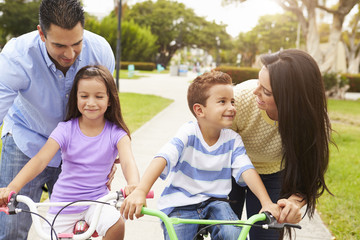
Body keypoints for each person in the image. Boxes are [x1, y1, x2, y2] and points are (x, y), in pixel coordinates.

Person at [0, 0, 115, 239]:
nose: (70, 53)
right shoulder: (16, 56)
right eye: (60, 45)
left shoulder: (100, 50)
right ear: (42, 33)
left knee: (76, 228)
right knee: (11, 227)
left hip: (77, 149)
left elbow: (107, 108)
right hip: (27, 141)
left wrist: (109, 158)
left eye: (77, 43)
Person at [120, 71, 280, 240]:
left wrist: (266, 203)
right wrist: (141, 191)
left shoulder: (233, 140)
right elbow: (163, 157)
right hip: (181, 202)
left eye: (232, 101)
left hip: (216, 203)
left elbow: (247, 170)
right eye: (222, 102)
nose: (232, 107)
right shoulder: (188, 133)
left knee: (233, 233)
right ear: (200, 110)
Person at [0, 65, 140, 240]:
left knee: (116, 224)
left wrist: (134, 186)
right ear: (76, 97)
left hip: (97, 202)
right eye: (84, 96)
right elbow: (41, 159)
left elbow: (128, 162)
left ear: (110, 99)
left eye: (99, 96)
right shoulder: (66, 129)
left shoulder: (117, 134)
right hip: (63, 205)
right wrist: (12, 188)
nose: (90, 102)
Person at [228, 49, 333, 240]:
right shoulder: (239, 100)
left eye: (266, 91)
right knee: (224, 232)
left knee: (266, 235)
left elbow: (308, 174)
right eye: (258, 83)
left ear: (292, 101)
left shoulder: (311, 122)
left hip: (271, 174)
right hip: (228, 170)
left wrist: (293, 202)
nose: (255, 92)